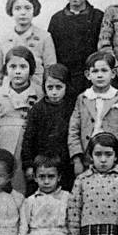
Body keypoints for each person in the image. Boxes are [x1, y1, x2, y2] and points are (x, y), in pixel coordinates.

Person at [68, 51, 118, 175]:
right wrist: (77, 158)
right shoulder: (82, 98)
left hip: (111, 157)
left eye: (104, 71)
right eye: (95, 71)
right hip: (88, 158)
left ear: (113, 73)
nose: (99, 75)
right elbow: (73, 130)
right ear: (88, 75)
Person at [0, 45, 39, 195]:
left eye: (23, 66)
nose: (17, 71)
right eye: (12, 66)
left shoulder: (37, 94)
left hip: (27, 144)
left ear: (31, 69)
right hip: (3, 142)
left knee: (22, 181)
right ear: (5, 69)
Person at [48, 0, 105, 100]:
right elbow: (52, 53)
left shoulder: (98, 17)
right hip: (66, 82)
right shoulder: (57, 19)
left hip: (93, 80)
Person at [21, 63, 76, 192]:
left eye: (59, 87)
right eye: (50, 87)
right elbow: (28, 138)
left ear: (66, 86)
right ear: (44, 87)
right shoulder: (37, 109)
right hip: (43, 163)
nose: (54, 92)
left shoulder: (72, 107)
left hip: (65, 162)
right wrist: (28, 165)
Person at [0, 0, 56, 94]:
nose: (23, 13)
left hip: (36, 95)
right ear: (11, 11)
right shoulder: (3, 40)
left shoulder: (44, 37)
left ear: (34, 10)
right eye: (17, 8)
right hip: (9, 95)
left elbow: (51, 69)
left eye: (27, 8)